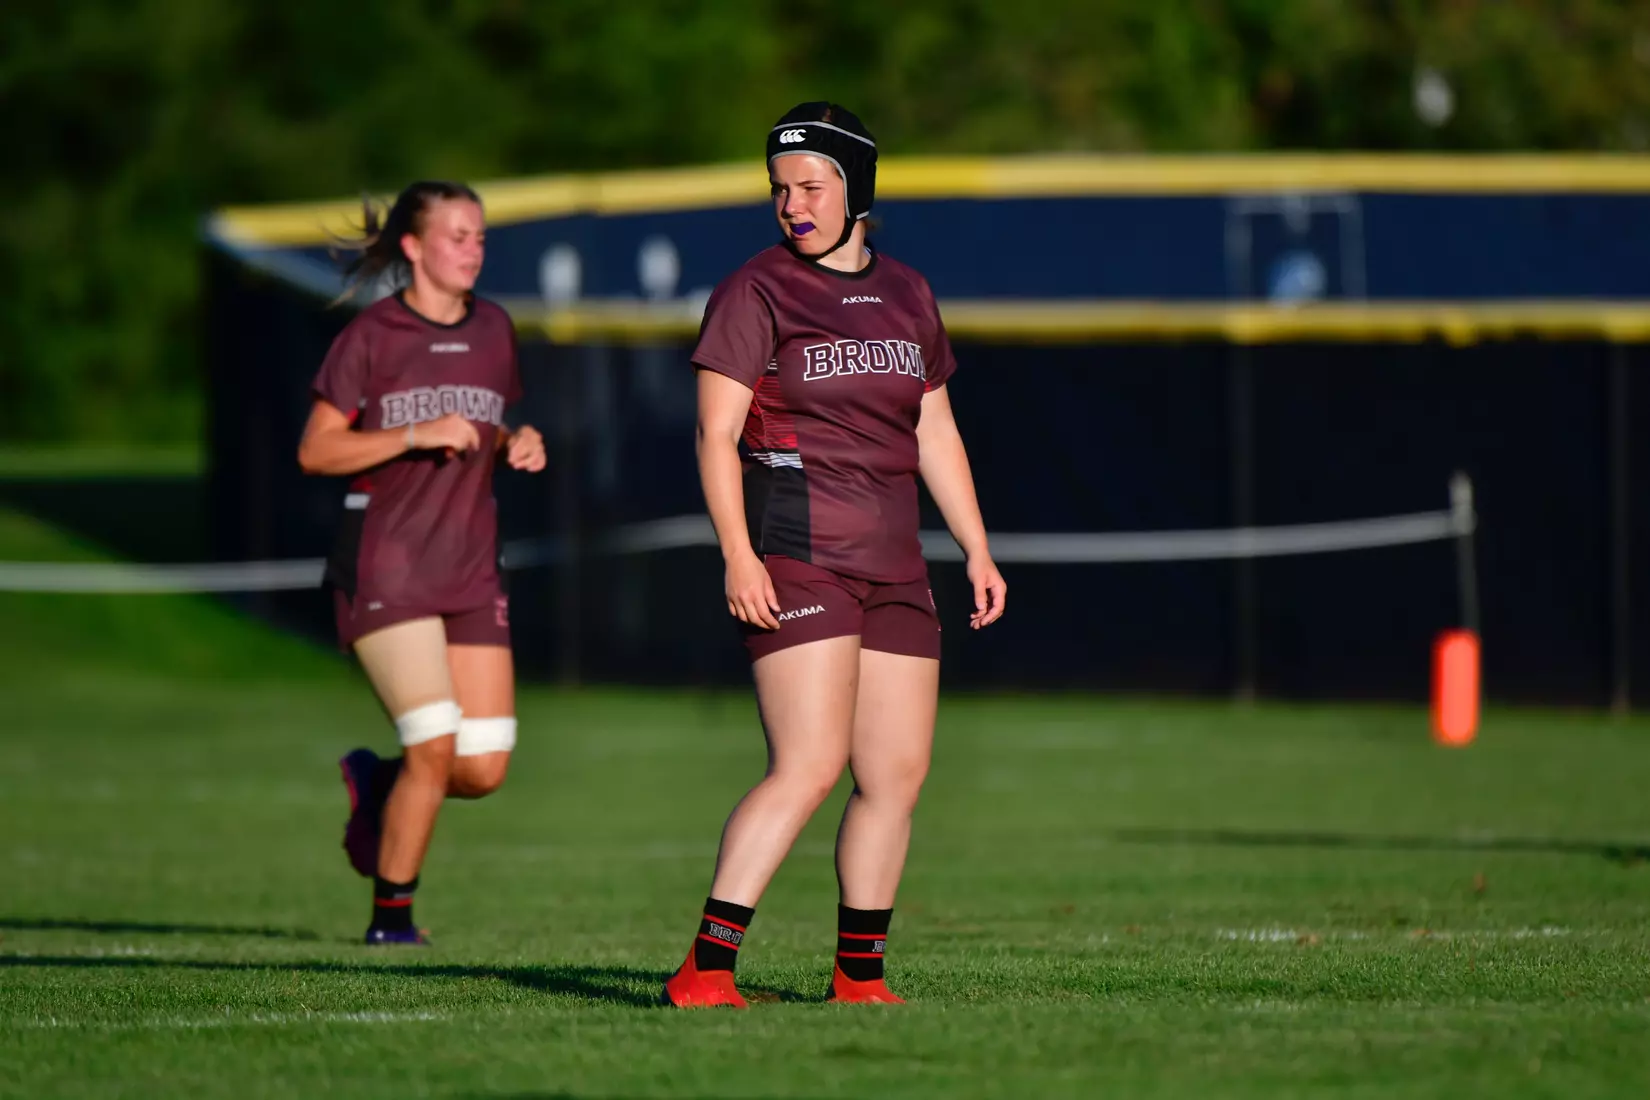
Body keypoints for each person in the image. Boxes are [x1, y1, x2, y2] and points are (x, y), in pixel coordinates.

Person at [662, 103, 1006, 1007]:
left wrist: (976, 548)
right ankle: (706, 969)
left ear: (857, 188)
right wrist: (739, 556)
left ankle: (858, 980)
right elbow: (713, 434)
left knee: (894, 777)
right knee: (809, 765)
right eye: (780, 189)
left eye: (812, 186)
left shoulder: (909, 293)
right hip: (799, 557)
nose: (793, 205)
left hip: (896, 567)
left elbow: (935, 428)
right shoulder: (756, 289)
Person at [296, 180, 546, 945]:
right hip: (385, 567)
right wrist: (410, 435)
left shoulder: (496, 329)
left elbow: (486, 426)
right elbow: (317, 450)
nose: (473, 249)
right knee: (434, 746)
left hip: (469, 569)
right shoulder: (371, 336)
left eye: (478, 236)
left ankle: (377, 782)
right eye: (456, 236)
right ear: (412, 247)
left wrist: (516, 443)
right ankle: (392, 922)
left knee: (481, 768)